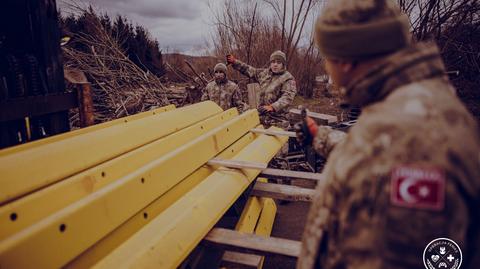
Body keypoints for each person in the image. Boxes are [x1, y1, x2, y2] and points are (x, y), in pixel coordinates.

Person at [295, 0, 480, 268]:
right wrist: (320, 137)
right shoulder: (414, 104)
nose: (326, 68)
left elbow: (388, 159)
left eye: (326, 57)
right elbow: (376, 161)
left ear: (345, 60)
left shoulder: (405, 138)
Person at [226, 50, 297, 129]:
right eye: (273, 62)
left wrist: (272, 107)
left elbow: (287, 97)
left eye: (278, 62)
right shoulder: (265, 74)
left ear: (283, 64)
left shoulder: (288, 79)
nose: (275, 64)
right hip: (262, 116)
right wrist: (235, 62)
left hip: (278, 119)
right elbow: (249, 70)